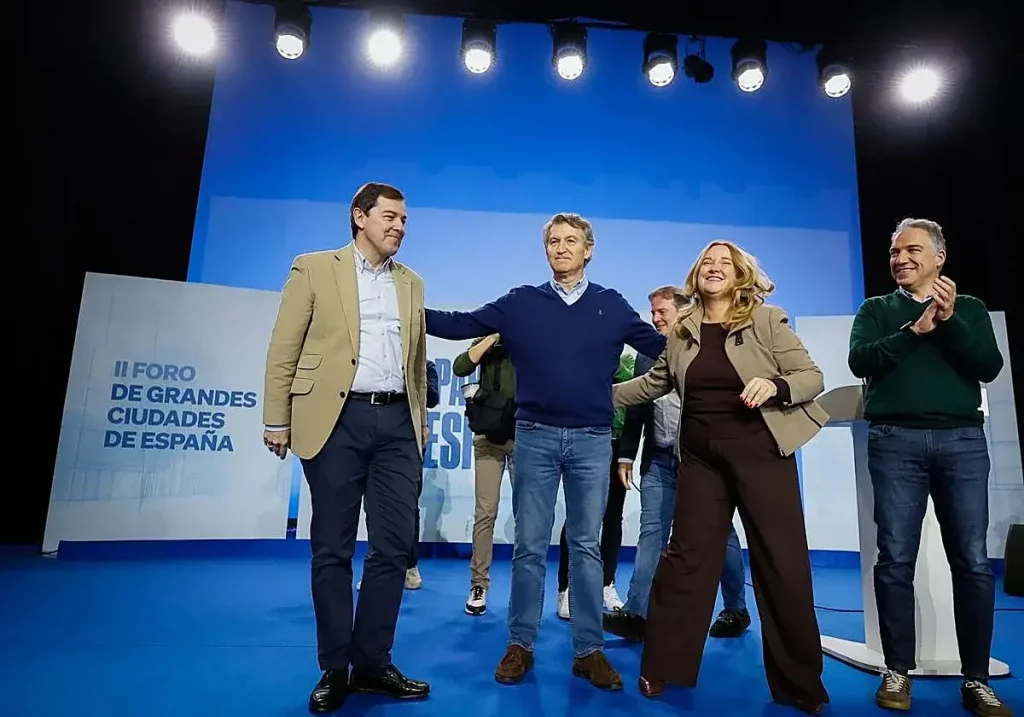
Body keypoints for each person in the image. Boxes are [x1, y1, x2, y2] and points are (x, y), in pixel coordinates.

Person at [425, 213, 666, 690]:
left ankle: (589, 651)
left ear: (588, 249)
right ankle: (520, 644)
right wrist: (406, 305)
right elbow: (460, 325)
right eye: (553, 241)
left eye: (570, 241)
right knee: (529, 546)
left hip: (593, 440)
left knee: (586, 546)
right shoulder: (520, 302)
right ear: (546, 250)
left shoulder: (611, 305)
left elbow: (662, 346)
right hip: (533, 435)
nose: (561, 247)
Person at [613, 240, 830, 714]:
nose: (714, 268)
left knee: (782, 562)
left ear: (740, 275)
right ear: (696, 275)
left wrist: (774, 385)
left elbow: (811, 377)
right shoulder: (684, 327)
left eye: (724, 264)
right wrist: (597, 394)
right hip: (701, 458)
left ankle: (799, 683)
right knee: (685, 558)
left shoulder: (767, 319)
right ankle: (664, 664)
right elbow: (657, 383)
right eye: (706, 263)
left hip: (761, 453)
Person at [262, 182, 431, 713]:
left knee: (394, 545)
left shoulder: (413, 283)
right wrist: (276, 418)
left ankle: (373, 662)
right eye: (389, 216)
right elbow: (284, 347)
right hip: (335, 420)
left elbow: (416, 363)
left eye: (404, 219)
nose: (399, 226)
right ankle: (335, 667)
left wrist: (420, 423)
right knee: (332, 548)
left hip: (398, 423)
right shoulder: (313, 268)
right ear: (359, 217)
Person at [848, 218, 1011, 716]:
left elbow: (988, 365)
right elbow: (860, 361)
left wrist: (948, 318)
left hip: (962, 442)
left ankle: (977, 679)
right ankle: (898, 671)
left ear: (940, 258)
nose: (900, 258)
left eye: (913, 250)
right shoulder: (877, 309)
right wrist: (914, 330)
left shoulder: (971, 309)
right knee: (895, 557)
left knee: (973, 562)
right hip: (895, 441)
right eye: (895, 251)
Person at [603, 285, 750, 642]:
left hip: (702, 462)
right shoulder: (645, 354)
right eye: (651, 313)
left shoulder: (707, 350)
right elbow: (638, 406)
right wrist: (626, 454)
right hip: (659, 460)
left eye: (661, 312)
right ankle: (637, 613)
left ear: (684, 311)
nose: (655, 319)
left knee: (720, 533)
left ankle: (736, 609)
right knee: (651, 532)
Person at [555, 350, 634, 618]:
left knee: (613, 517)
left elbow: (631, 383)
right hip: (585, 439)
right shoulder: (578, 354)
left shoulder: (629, 361)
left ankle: (607, 584)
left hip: (618, 443)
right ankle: (566, 588)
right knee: (578, 517)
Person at [452, 335, 516, 616]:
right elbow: (460, 367)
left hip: (526, 436)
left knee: (529, 515)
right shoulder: (488, 342)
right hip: (488, 437)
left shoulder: (533, 339)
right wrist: (491, 338)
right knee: (485, 513)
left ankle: (525, 588)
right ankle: (479, 584)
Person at [404, 359, 440, 590]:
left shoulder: (425, 366)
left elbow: (433, 399)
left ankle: (410, 566)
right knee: (376, 507)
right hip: (376, 439)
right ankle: (380, 565)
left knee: (408, 505)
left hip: (411, 439)